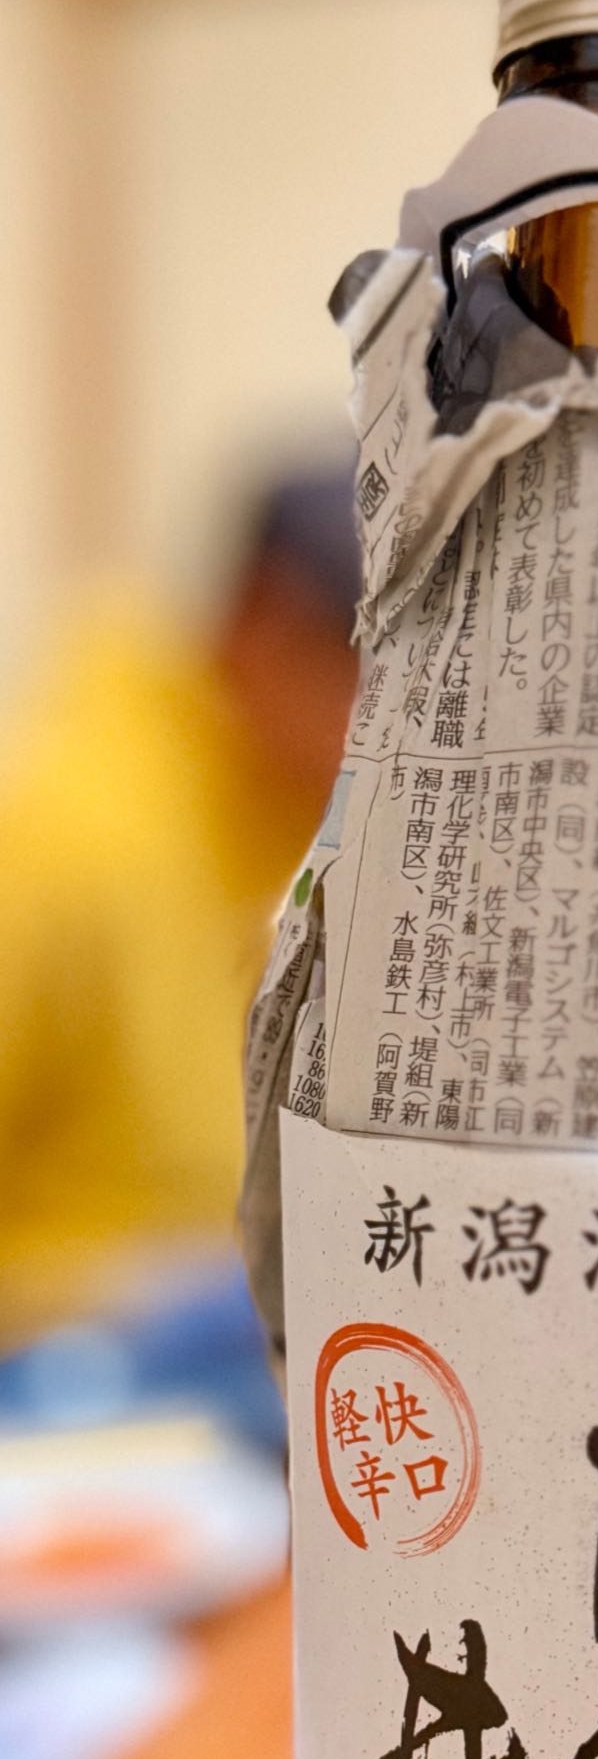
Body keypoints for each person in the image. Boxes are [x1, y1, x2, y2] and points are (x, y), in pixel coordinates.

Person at [0, 466, 360, 1336]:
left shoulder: (325, 818)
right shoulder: (65, 832)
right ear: (259, 628)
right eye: (365, 672)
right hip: (75, 1365)